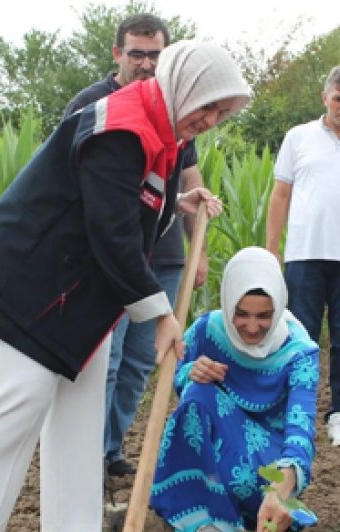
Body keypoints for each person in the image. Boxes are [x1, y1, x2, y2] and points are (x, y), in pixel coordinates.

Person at [0, 41, 251, 532]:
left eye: (222, 112)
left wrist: (175, 205)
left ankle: (69, 525)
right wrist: (158, 314)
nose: (211, 120)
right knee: (18, 399)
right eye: (208, 106)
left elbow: (121, 202)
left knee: (81, 398)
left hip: (75, 294)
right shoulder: (121, 126)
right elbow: (112, 232)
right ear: (183, 88)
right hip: (25, 284)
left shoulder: (164, 126)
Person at [64, 13, 211, 478]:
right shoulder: (92, 104)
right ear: (117, 54)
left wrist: (197, 250)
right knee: (103, 363)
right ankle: (83, 456)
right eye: (137, 54)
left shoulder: (177, 107)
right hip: (111, 261)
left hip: (163, 256)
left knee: (139, 364)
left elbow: (186, 176)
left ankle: (109, 450)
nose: (147, 64)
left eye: (156, 55)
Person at [151, 247, 321, 532]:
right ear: (228, 304)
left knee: (249, 480)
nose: (252, 327)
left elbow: (301, 430)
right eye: (241, 314)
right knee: (199, 392)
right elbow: (171, 375)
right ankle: (201, 514)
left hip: (267, 469)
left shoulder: (299, 353)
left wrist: (281, 488)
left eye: (264, 316)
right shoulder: (208, 329)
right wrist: (190, 370)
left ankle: (247, 511)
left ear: (279, 307)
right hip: (218, 451)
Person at [265, 65, 340, 449]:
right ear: (325, 97)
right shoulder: (298, 137)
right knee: (300, 335)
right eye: (339, 98)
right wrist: (272, 247)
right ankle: (295, 414)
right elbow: (281, 194)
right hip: (304, 253)